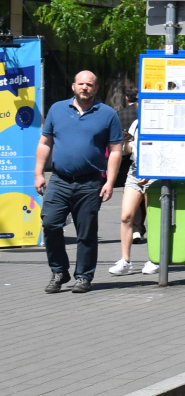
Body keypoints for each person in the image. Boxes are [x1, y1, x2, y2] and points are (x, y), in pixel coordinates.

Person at [35, 71, 123, 294]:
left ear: (96, 88)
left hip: (90, 183)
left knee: (86, 232)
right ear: (74, 86)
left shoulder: (107, 114)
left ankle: (83, 276)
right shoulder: (57, 109)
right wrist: (38, 174)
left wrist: (110, 182)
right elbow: (45, 142)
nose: (85, 87)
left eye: (90, 85)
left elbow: (115, 151)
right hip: (59, 180)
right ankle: (59, 271)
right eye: (81, 84)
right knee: (50, 224)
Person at [108, 116, 160, 277]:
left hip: (155, 172)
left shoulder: (160, 121)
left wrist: (149, 170)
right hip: (135, 171)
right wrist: (126, 142)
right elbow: (129, 151)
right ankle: (125, 260)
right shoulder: (137, 123)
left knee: (153, 219)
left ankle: (155, 259)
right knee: (126, 216)